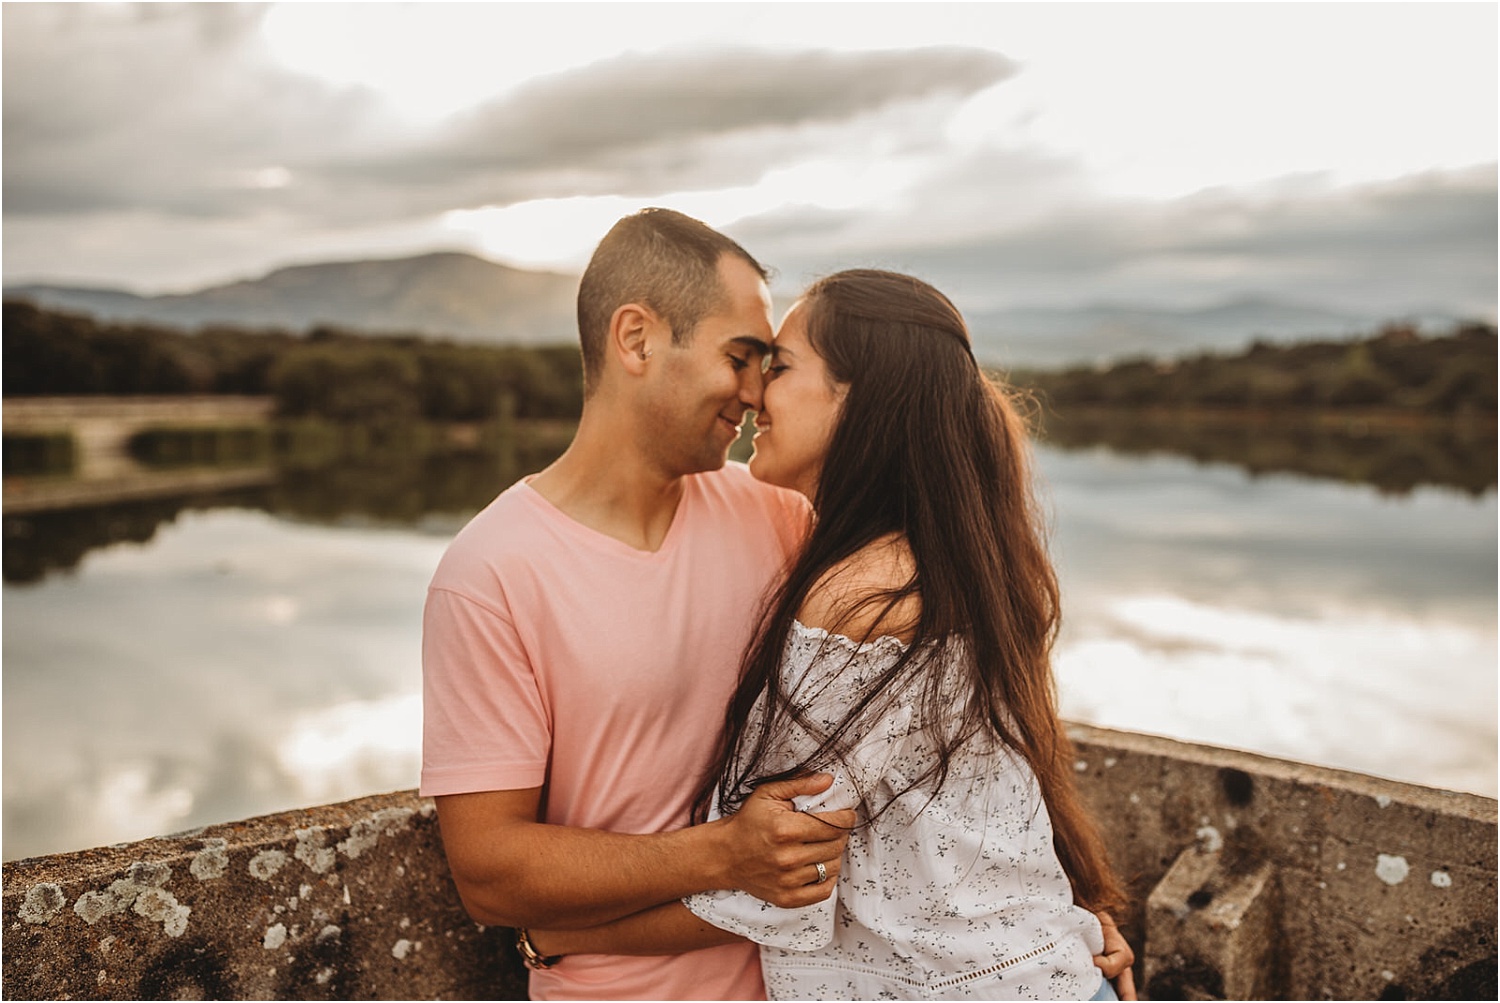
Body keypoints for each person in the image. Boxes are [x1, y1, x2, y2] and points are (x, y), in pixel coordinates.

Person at [527, 269, 1136, 1000]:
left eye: (779, 366)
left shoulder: (866, 595)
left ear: (858, 397)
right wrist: (1076, 917)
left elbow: (777, 876)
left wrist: (561, 936)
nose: (753, 391)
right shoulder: (941, 558)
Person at [419, 208, 858, 1001]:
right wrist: (724, 853)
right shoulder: (490, 572)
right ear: (637, 340)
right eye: (740, 356)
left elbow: (947, 699)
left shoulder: (780, 515)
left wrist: (1060, 902)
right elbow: (488, 871)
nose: (757, 392)